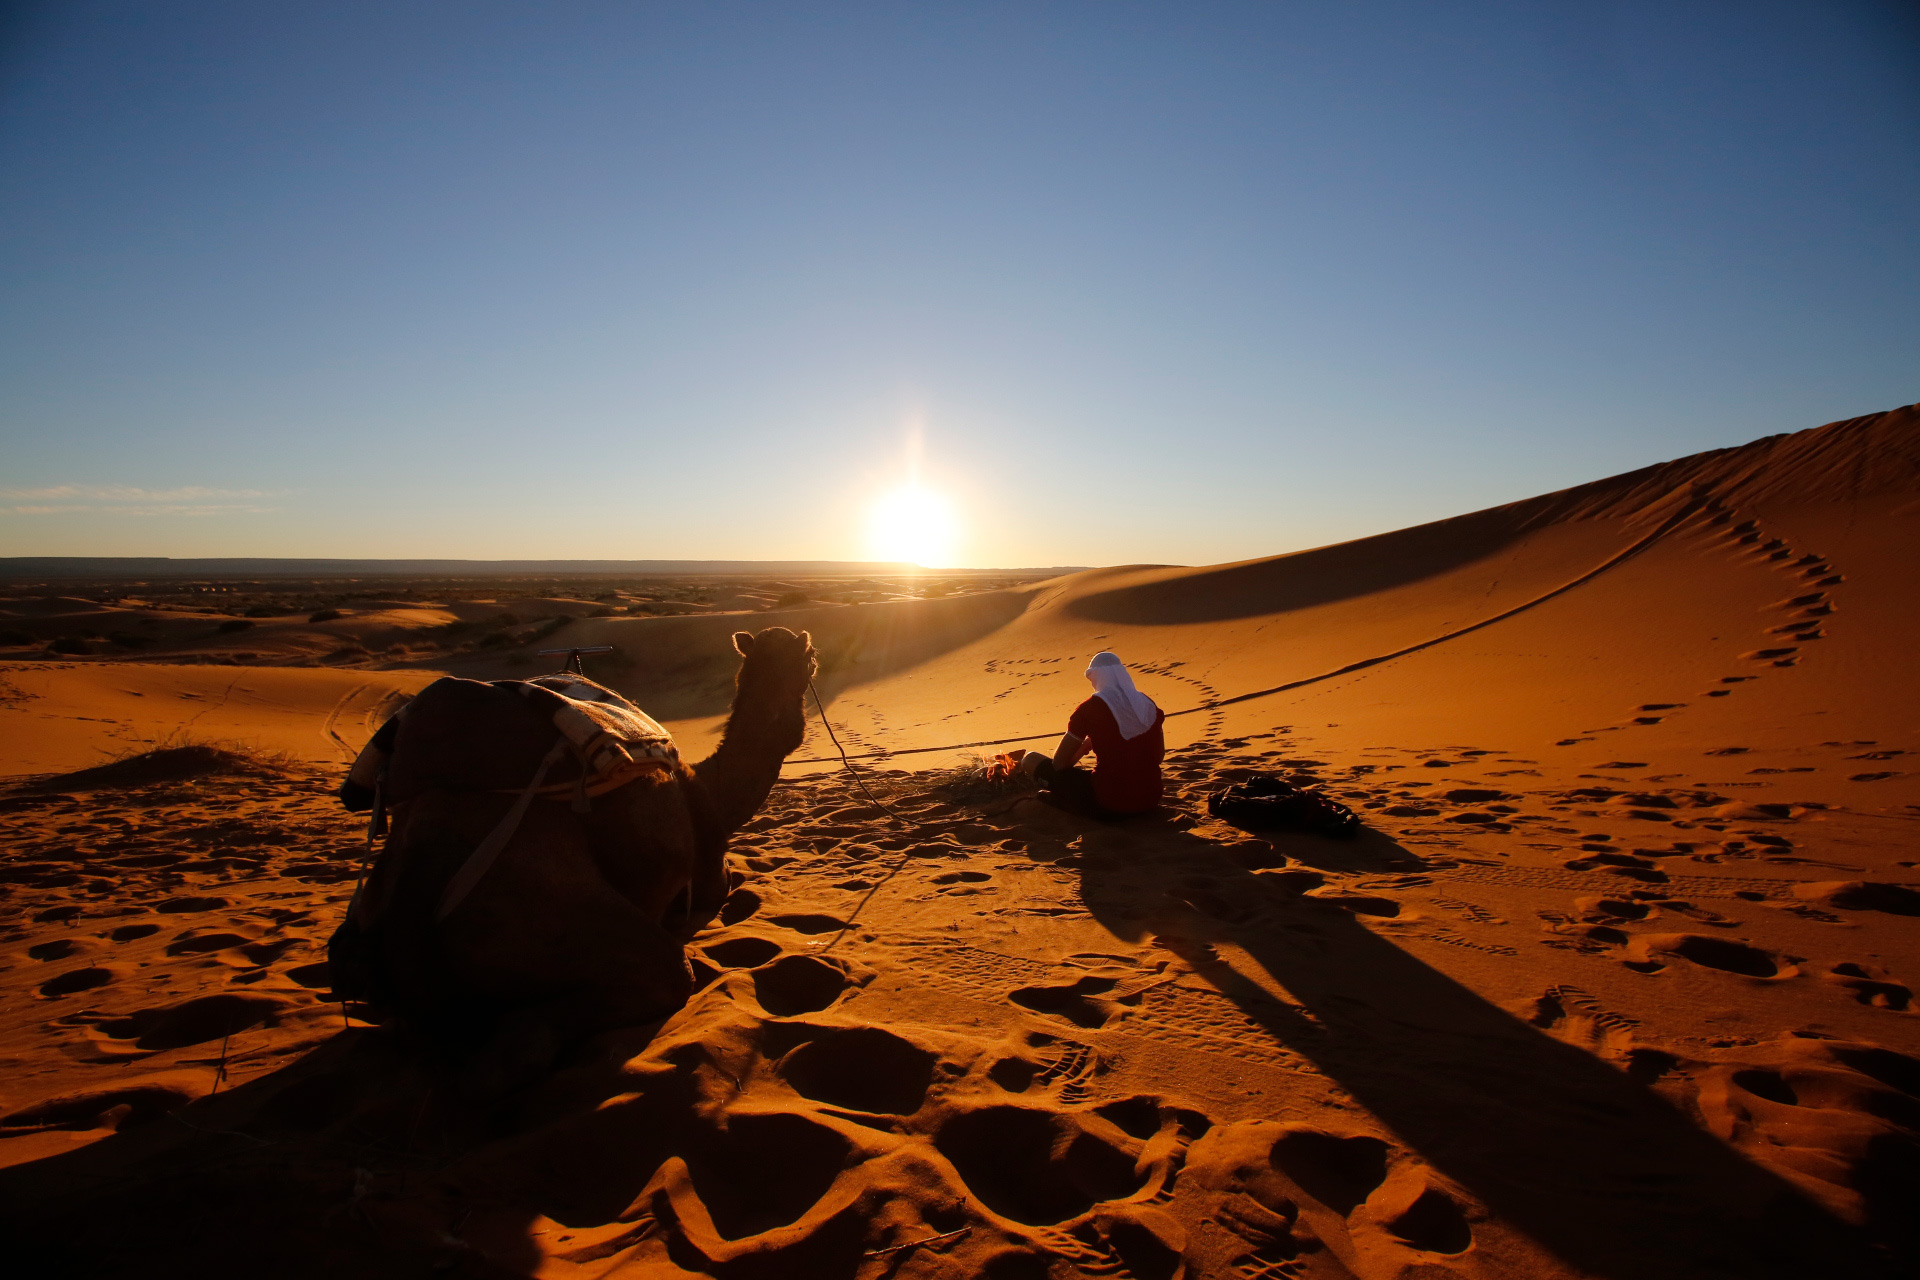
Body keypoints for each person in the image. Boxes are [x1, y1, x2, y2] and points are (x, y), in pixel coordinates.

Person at [1020, 651, 1166, 817]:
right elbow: (1158, 757)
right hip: (1151, 798)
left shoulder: (1089, 709)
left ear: (1097, 677)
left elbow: (1059, 764)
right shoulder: (1148, 704)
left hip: (1109, 802)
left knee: (1030, 759)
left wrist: (1082, 749)